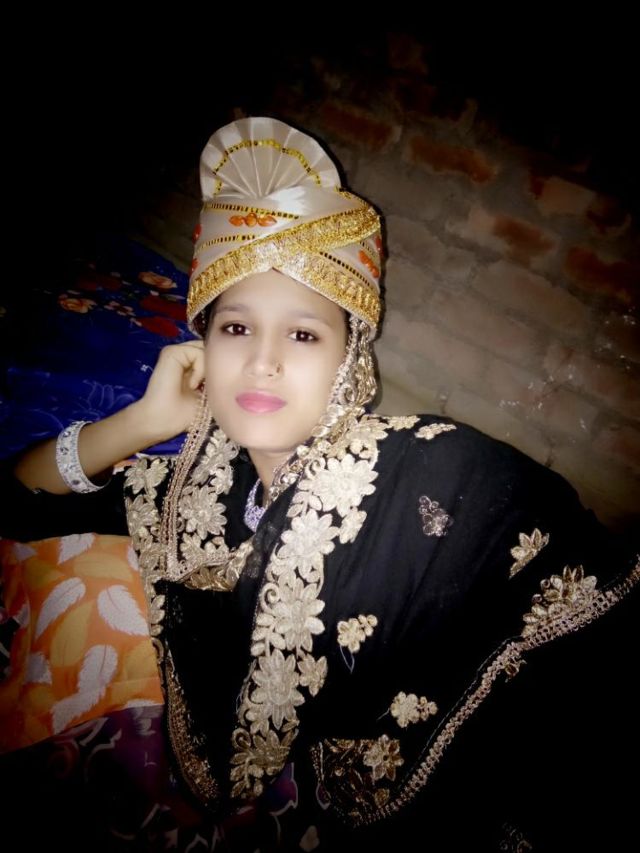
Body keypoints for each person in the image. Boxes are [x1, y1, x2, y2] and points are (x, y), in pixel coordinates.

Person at [1, 116, 638, 851]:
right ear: (202, 347)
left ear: (349, 361)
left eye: (303, 334)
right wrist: (144, 421)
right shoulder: (194, 493)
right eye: (236, 328)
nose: (262, 361)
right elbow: (19, 498)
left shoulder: (439, 472)